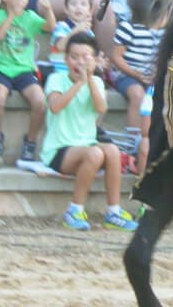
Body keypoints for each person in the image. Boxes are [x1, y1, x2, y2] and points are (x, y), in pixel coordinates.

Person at [42, 31, 138, 231]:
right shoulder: (56, 79)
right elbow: (55, 106)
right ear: (66, 60)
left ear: (94, 60)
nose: (79, 62)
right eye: (74, 57)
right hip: (59, 150)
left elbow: (101, 108)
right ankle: (75, 209)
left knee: (111, 150)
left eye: (85, 57)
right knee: (95, 153)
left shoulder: (98, 83)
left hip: (86, 145)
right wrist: (79, 83)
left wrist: (90, 81)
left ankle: (113, 211)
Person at [0, 0, 55, 168]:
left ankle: (30, 142)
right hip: (1, 68)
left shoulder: (31, 18)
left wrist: (48, 10)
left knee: (40, 101)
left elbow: (51, 27)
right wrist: (11, 15)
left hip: (23, 70)